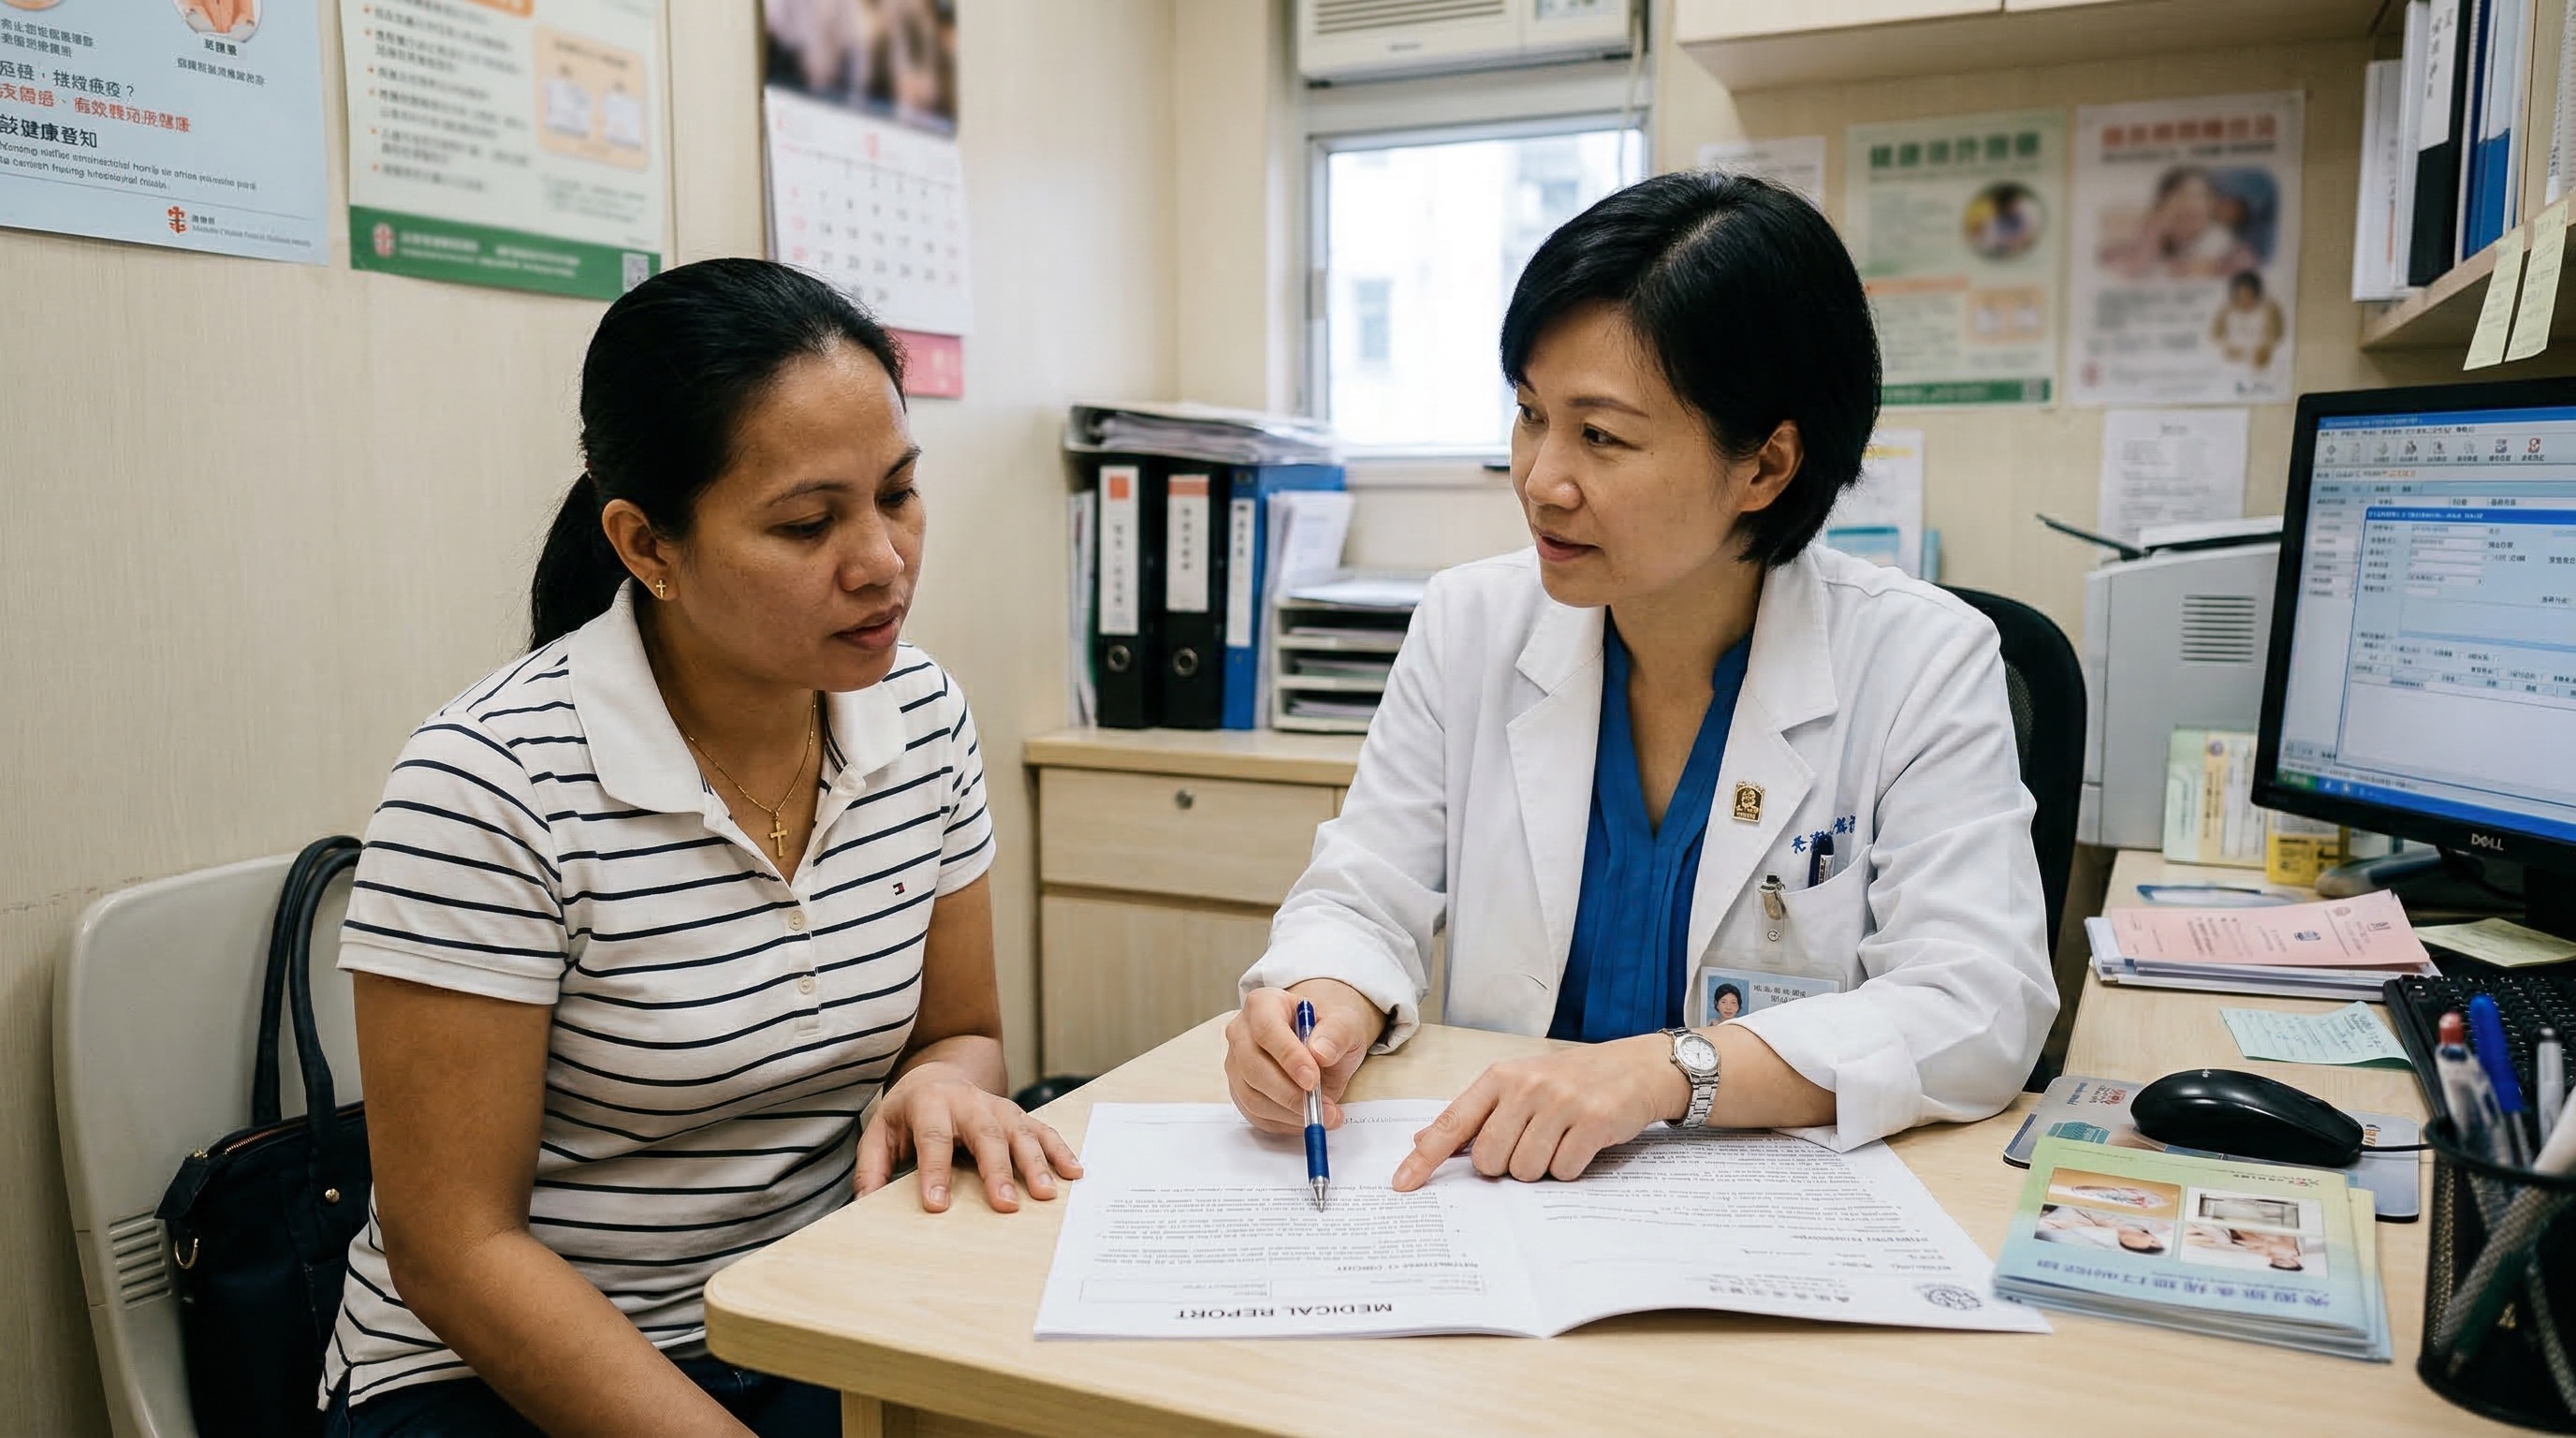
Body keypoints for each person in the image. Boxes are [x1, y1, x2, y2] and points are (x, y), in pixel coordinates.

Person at [321, 258, 1077, 1438]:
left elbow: (961, 1032)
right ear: (647, 546)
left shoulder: (921, 715)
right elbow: (454, 1249)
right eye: (808, 524)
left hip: (807, 1316)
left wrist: (940, 1088)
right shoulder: (487, 785)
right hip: (500, 1375)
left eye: (898, 493)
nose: (882, 560)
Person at [1222, 171, 2056, 1188]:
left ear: (1765, 466)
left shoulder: (1922, 659)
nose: (1540, 479)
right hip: (1502, 1191)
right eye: (1530, 414)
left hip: (1767, 1205)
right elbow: (1361, 897)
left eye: (1601, 436)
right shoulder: (1468, 623)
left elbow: (1978, 1005)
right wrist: (1322, 1004)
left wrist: (1664, 1075)